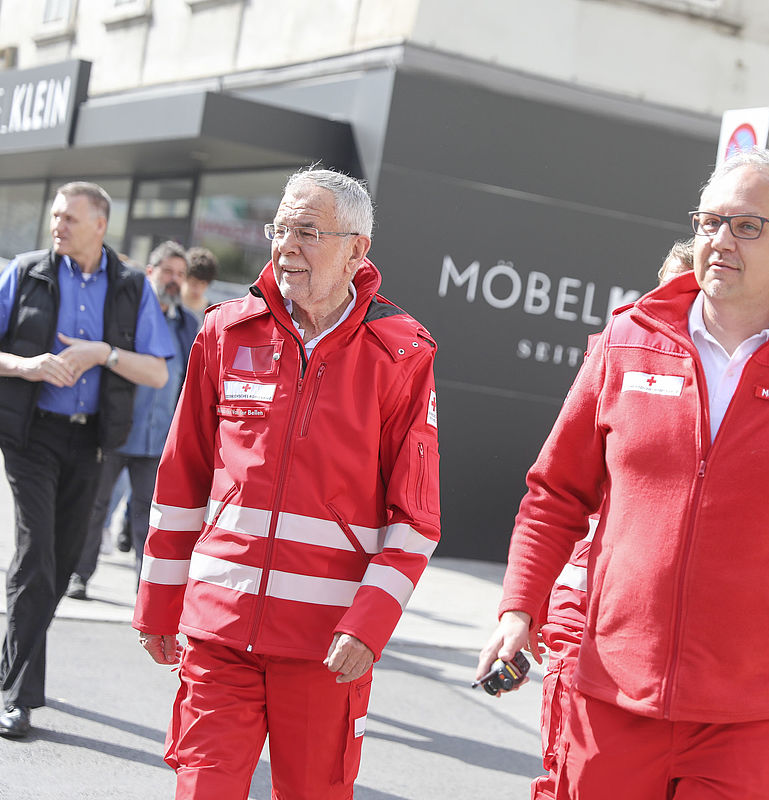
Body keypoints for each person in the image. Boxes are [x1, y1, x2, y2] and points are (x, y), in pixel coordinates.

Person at [478, 147, 769, 799]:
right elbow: (555, 493)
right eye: (708, 222)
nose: (720, 240)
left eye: (747, 225)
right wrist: (518, 609)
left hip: (752, 719)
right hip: (612, 693)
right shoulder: (627, 339)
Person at [132, 167, 441, 799]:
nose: (287, 246)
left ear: (357, 250)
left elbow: (416, 512)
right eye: (280, 228)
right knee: (203, 789)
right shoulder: (224, 331)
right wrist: (159, 599)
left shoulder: (402, 353)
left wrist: (371, 621)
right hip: (219, 628)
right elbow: (182, 474)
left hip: (326, 643)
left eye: (308, 231)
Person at [0, 182, 173, 739]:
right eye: (54, 215)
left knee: (66, 555)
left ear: (101, 224)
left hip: (92, 442)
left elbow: (158, 372)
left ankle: (18, 670)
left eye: (69, 217)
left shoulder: (128, 286)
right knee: (37, 554)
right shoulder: (25, 272)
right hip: (30, 437)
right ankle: (15, 694)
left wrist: (104, 354)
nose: (58, 224)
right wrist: (27, 367)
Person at [529, 239, 694, 800]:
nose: (678, 301)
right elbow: (556, 492)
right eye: (669, 286)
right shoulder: (619, 354)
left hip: (676, 655)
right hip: (589, 619)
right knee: (564, 778)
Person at [67, 241, 201, 600]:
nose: (174, 280)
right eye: (168, 272)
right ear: (150, 273)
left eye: (180, 274)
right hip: (116, 431)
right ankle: (79, 575)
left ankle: (147, 588)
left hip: (159, 440)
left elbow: (192, 378)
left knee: (151, 515)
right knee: (96, 507)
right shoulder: (130, 313)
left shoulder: (188, 324)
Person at [181, 246, 218, 316]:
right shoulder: (169, 304)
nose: (198, 289)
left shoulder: (211, 313)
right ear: (185, 277)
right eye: (194, 283)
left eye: (203, 284)